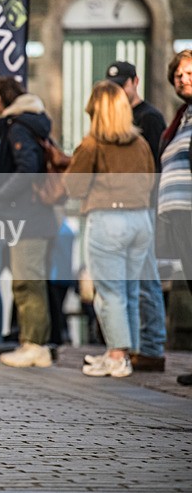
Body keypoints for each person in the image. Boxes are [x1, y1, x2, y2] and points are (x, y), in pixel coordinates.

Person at [64, 81, 154, 377]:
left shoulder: (93, 144)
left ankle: (116, 355)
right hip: (140, 219)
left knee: (109, 291)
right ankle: (124, 352)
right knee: (128, 288)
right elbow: (151, 180)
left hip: (108, 218)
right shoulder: (140, 143)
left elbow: (74, 187)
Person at [0, 77, 58, 368]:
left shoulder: (19, 126)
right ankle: (31, 342)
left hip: (27, 217)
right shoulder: (30, 123)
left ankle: (35, 345)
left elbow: (27, 168)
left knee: (28, 282)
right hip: (32, 216)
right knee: (28, 280)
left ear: (1, 97)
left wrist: (0, 195)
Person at [104, 61, 168, 372]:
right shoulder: (118, 118)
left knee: (145, 280)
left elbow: (156, 168)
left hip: (144, 209)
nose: (118, 90)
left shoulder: (150, 118)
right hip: (121, 211)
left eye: (122, 84)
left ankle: (153, 346)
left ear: (135, 82)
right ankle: (135, 346)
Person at [157, 50, 192, 386]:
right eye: (179, 74)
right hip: (179, 212)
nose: (183, 78)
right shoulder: (181, 116)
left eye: (189, 73)